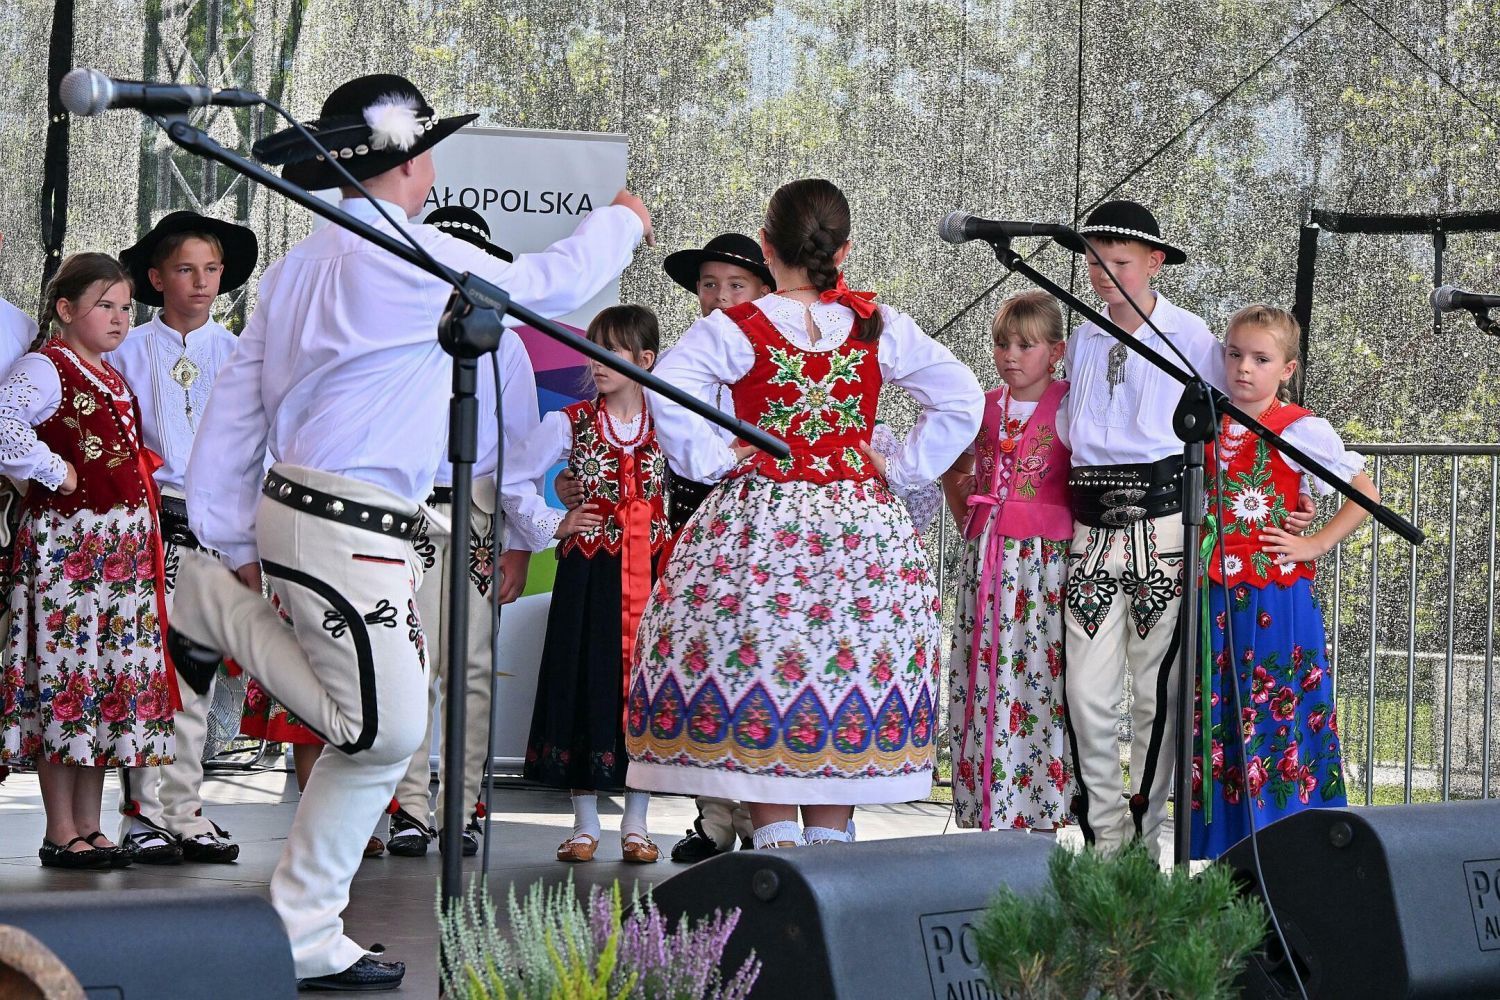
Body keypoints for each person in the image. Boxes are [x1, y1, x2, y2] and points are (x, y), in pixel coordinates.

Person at [167, 73, 650, 991]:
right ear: (409, 163)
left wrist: (229, 533)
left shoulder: (301, 266)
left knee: (376, 737)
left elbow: (237, 407)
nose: (433, 168)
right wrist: (622, 219)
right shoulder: (409, 254)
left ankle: (304, 928)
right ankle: (211, 614)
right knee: (383, 731)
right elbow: (545, 283)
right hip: (344, 522)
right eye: (429, 153)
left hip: (321, 516)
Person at [626, 178, 981, 849]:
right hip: (860, 532)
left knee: (762, 668)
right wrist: (900, 465)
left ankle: (774, 853)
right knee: (842, 670)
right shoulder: (877, 324)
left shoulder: (736, 326)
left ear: (767, 247)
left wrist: (715, 457)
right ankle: (826, 862)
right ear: (843, 249)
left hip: (763, 527)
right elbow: (962, 397)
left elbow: (664, 386)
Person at [1058, 200, 1313, 859]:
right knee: (1083, 692)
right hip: (1091, 526)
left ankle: (1138, 851)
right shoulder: (1083, 334)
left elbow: (1243, 414)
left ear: (1155, 262)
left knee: (1157, 696)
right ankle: (1104, 840)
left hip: (1165, 522)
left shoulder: (1189, 336)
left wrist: (1295, 493)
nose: (1103, 272)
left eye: (1119, 261)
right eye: (1094, 259)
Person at [0, 252, 173, 870]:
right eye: (105, 305)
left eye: (126, 307)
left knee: (99, 684)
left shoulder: (109, 374)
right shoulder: (46, 367)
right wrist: (56, 471)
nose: (120, 317)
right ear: (66, 308)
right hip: (68, 552)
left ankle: (91, 825)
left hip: (116, 557)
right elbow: (3, 425)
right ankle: (59, 829)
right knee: (67, 679)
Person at [386, 205, 536, 860]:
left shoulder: (508, 343)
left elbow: (522, 450)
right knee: (409, 661)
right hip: (408, 512)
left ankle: (464, 804)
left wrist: (520, 544)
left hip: (476, 512)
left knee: (471, 665)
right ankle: (409, 807)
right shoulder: (399, 334)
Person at [1190, 304, 1368, 859]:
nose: (1244, 367)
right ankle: (1228, 852)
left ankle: (1289, 848)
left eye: (1261, 359)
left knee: (1275, 709)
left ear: (1287, 369)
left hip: (1275, 594)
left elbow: (1365, 494)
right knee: (1223, 712)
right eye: (1235, 354)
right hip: (1215, 594)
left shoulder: (1301, 429)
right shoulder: (1206, 420)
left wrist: (1315, 543)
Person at [109, 210, 258, 865]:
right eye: (185, 269)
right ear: (155, 279)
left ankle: (184, 807)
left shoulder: (239, 354)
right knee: (147, 666)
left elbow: (255, 452)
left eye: (211, 269)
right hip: (147, 522)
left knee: (197, 670)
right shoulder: (128, 350)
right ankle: (143, 813)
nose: (200, 282)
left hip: (216, 527)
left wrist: (249, 547)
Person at [507, 304, 669, 864]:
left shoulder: (671, 421)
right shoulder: (569, 422)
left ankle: (638, 824)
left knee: (643, 688)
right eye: (593, 349)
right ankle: (584, 824)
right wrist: (557, 519)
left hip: (653, 573)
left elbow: (703, 471)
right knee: (583, 680)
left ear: (645, 360)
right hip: (590, 572)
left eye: (612, 351)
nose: (596, 362)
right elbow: (511, 474)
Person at [943, 291, 1074, 832]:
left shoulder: (1070, 405)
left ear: (1056, 351)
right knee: (983, 669)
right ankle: (986, 805)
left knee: (1037, 672)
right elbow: (954, 467)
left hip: (1041, 566)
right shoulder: (983, 406)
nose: (1011, 356)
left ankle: (1038, 808)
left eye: (1026, 345)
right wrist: (971, 519)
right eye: (1002, 344)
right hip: (986, 559)